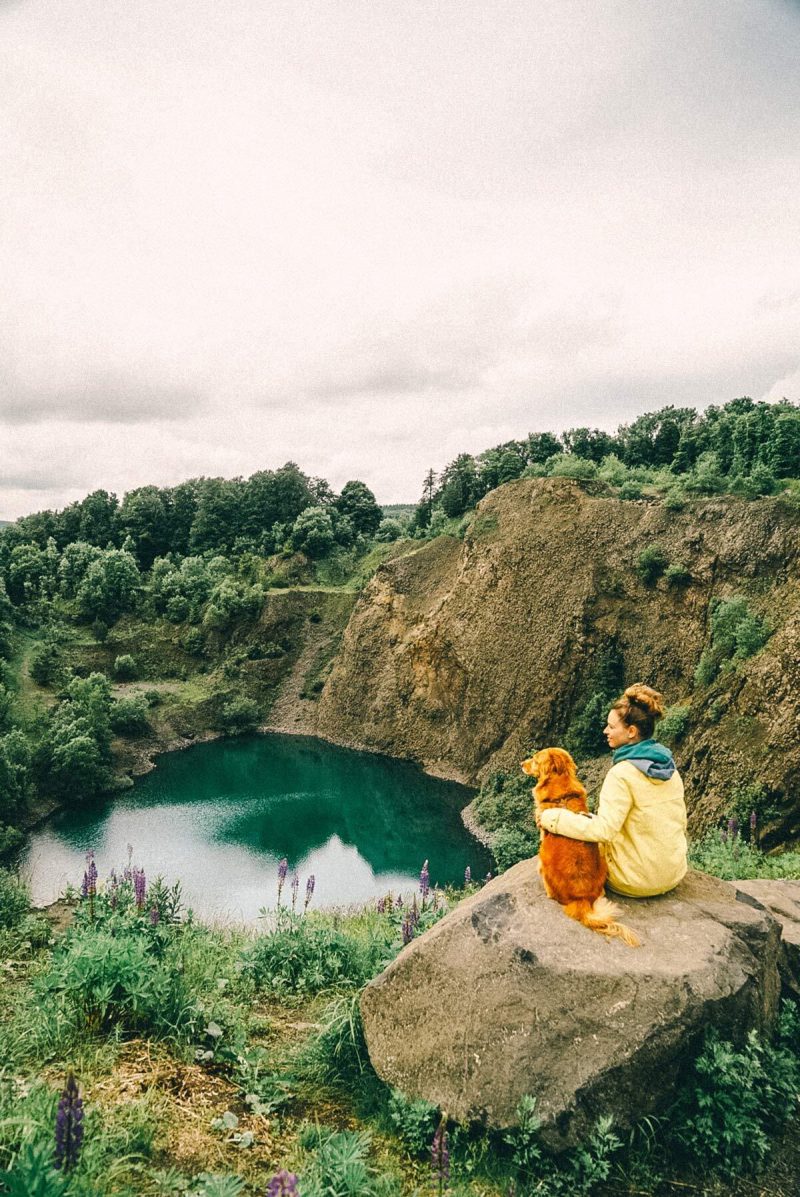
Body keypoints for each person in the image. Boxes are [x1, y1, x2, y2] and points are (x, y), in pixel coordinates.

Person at [535, 683, 688, 897]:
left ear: (631, 731)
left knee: (574, 846)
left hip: (632, 881)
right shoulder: (669, 768)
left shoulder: (621, 774)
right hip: (673, 874)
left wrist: (551, 817)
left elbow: (603, 830)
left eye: (611, 727)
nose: (605, 731)